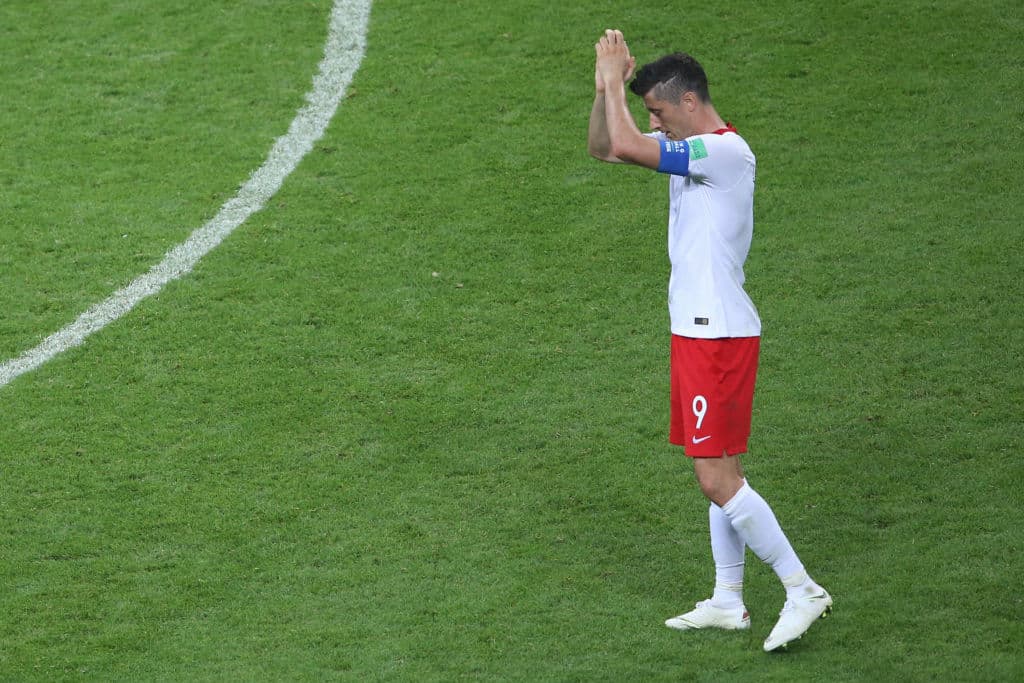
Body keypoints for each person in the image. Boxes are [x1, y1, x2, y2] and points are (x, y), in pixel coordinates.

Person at [587, 29, 832, 652]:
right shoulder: (688, 145)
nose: (654, 123)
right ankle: (728, 598)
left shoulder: (721, 152)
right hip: (696, 331)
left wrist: (616, 80)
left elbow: (624, 142)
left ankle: (802, 588)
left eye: (659, 112)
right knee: (720, 467)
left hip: (716, 336)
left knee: (715, 477)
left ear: (690, 103)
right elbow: (605, 148)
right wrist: (602, 90)